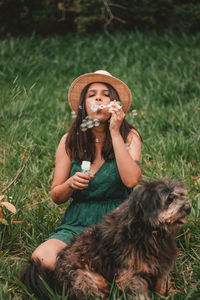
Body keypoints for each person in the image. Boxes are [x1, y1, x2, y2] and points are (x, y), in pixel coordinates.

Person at [32, 70, 142, 272]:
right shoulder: (69, 141)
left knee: (119, 263)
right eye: (91, 95)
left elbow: (131, 181)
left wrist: (114, 131)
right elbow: (56, 195)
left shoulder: (129, 136)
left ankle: (85, 274)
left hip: (118, 223)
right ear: (84, 107)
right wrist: (69, 184)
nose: (98, 97)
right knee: (42, 258)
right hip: (78, 221)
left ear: (114, 103)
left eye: (105, 94)